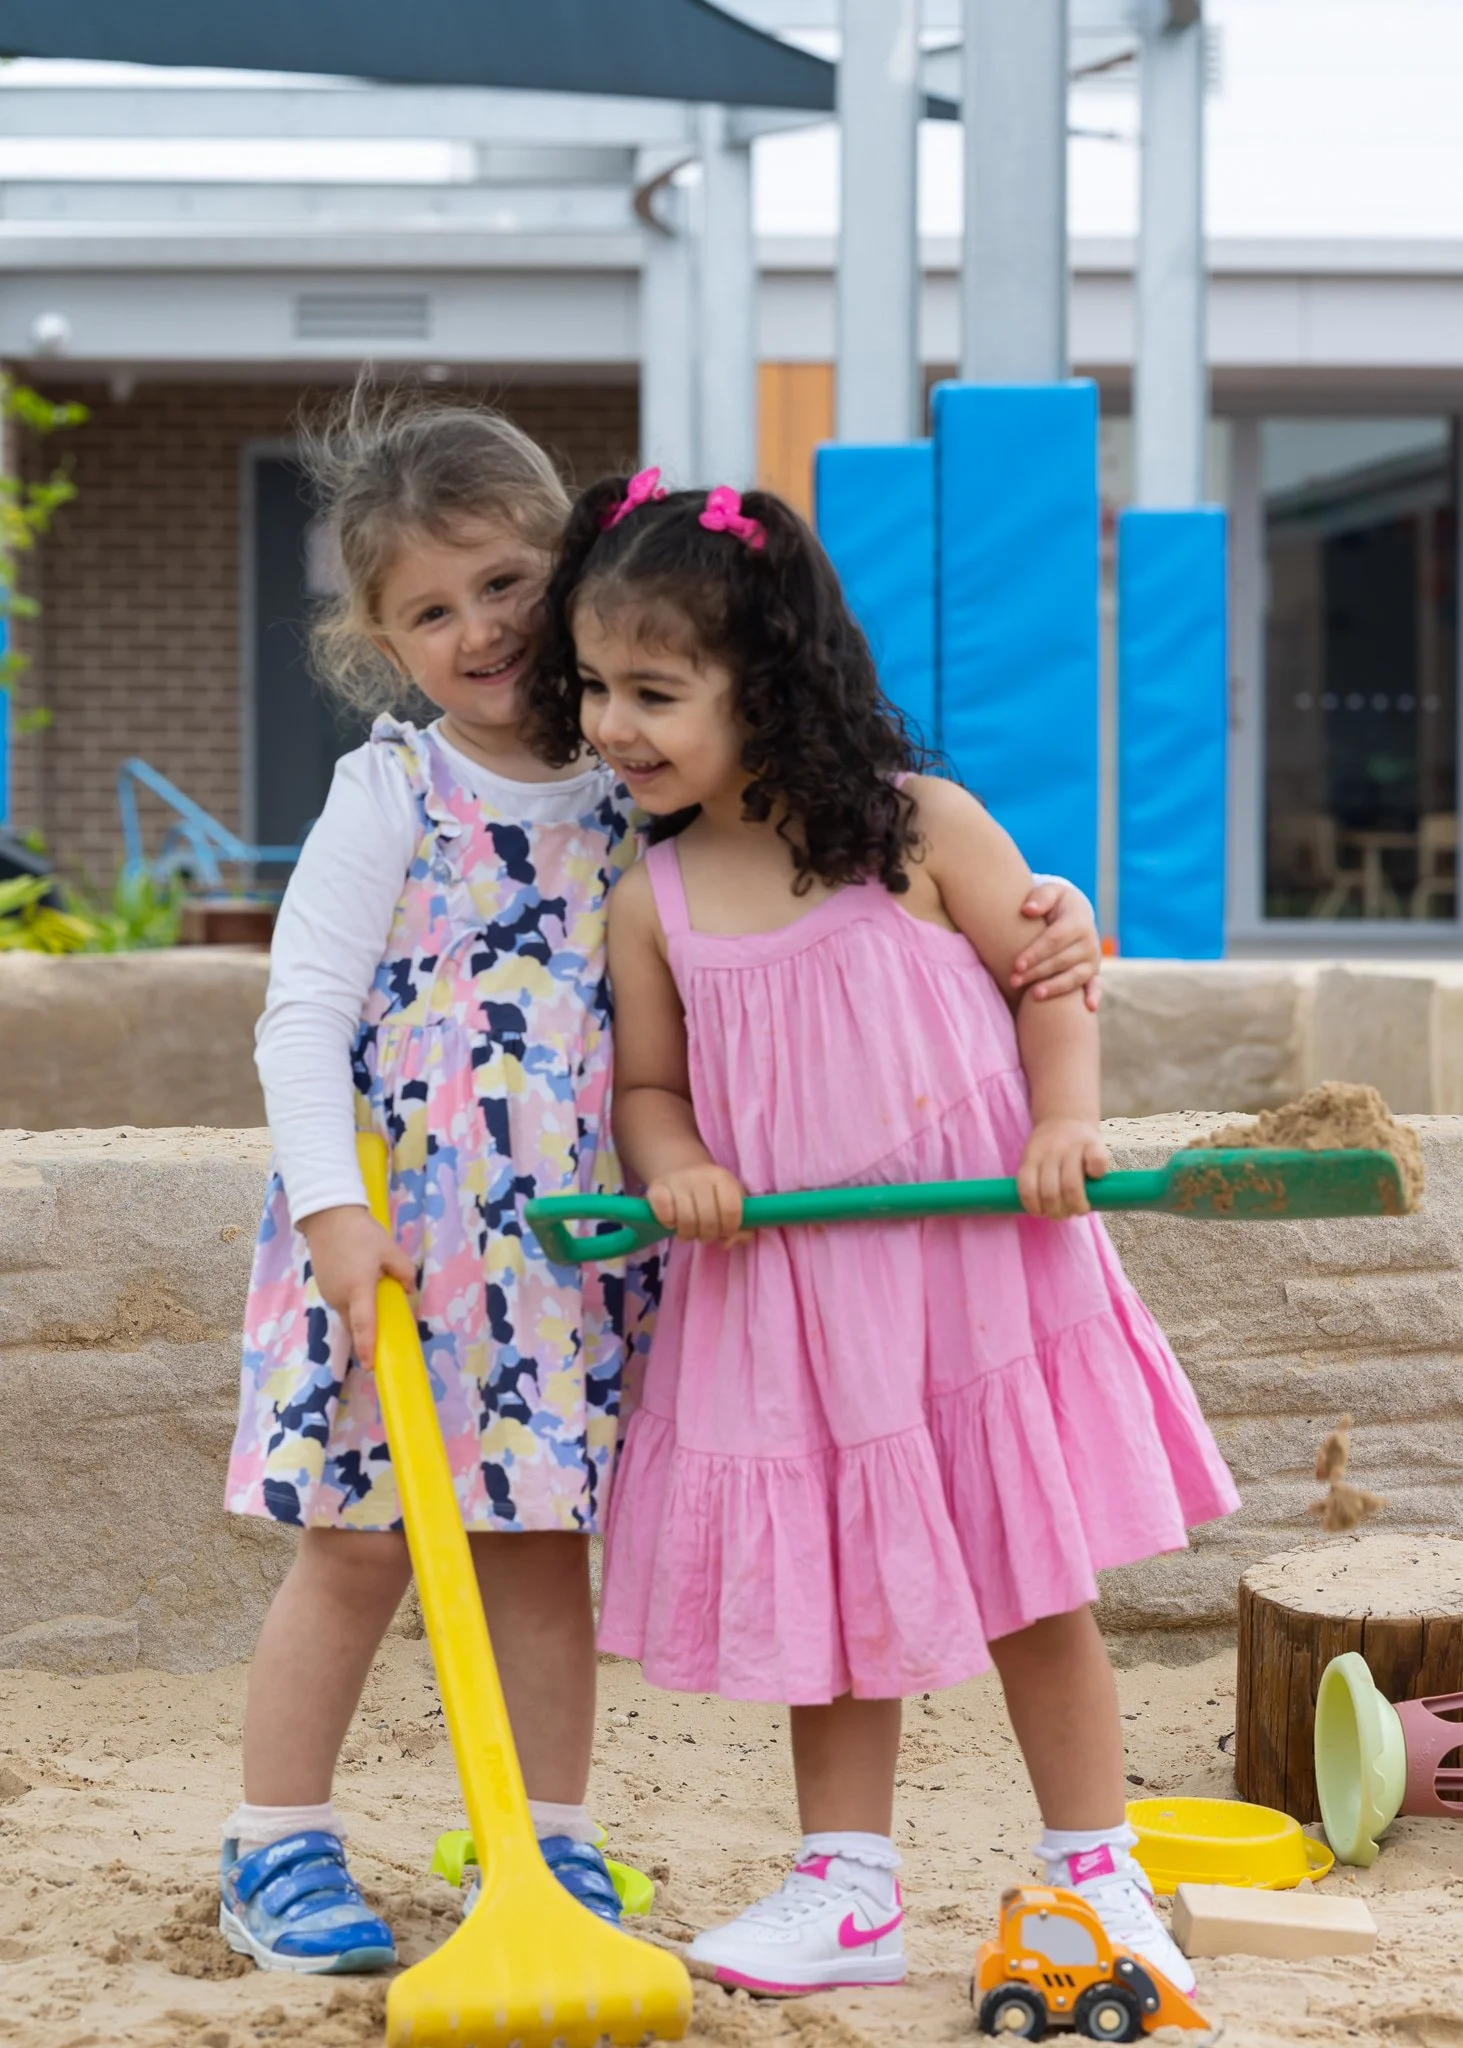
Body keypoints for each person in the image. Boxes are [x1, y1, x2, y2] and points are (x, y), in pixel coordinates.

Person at [219, 392, 1110, 1975]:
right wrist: (332, 1216)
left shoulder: (649, 786)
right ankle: (276, 1842)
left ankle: (547, 1844)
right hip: (405, 1245)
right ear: (381, 640)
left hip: (580, 1256)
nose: (481, 630)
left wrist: (1049, 908)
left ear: (572, 573)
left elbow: (851, 888)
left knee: (542, 1540)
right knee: (358, 1540)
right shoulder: (393, 793)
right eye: (429, 611)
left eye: (505, 585)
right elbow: (301, 1015)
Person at [527, 471, 1240, 2001]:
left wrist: (1062, 1122)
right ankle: (845, 1886)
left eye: (653, 690)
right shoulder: (653, 896)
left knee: (1030, 1586)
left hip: (972, 1282)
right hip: (791, 1300)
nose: (610, 725)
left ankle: (1096, 1874)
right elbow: (649, 1085)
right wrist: (677, 1167)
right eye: (593, 688)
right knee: (837, 1608)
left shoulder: (919, 830)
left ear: (766, 682)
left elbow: (1052, 968)